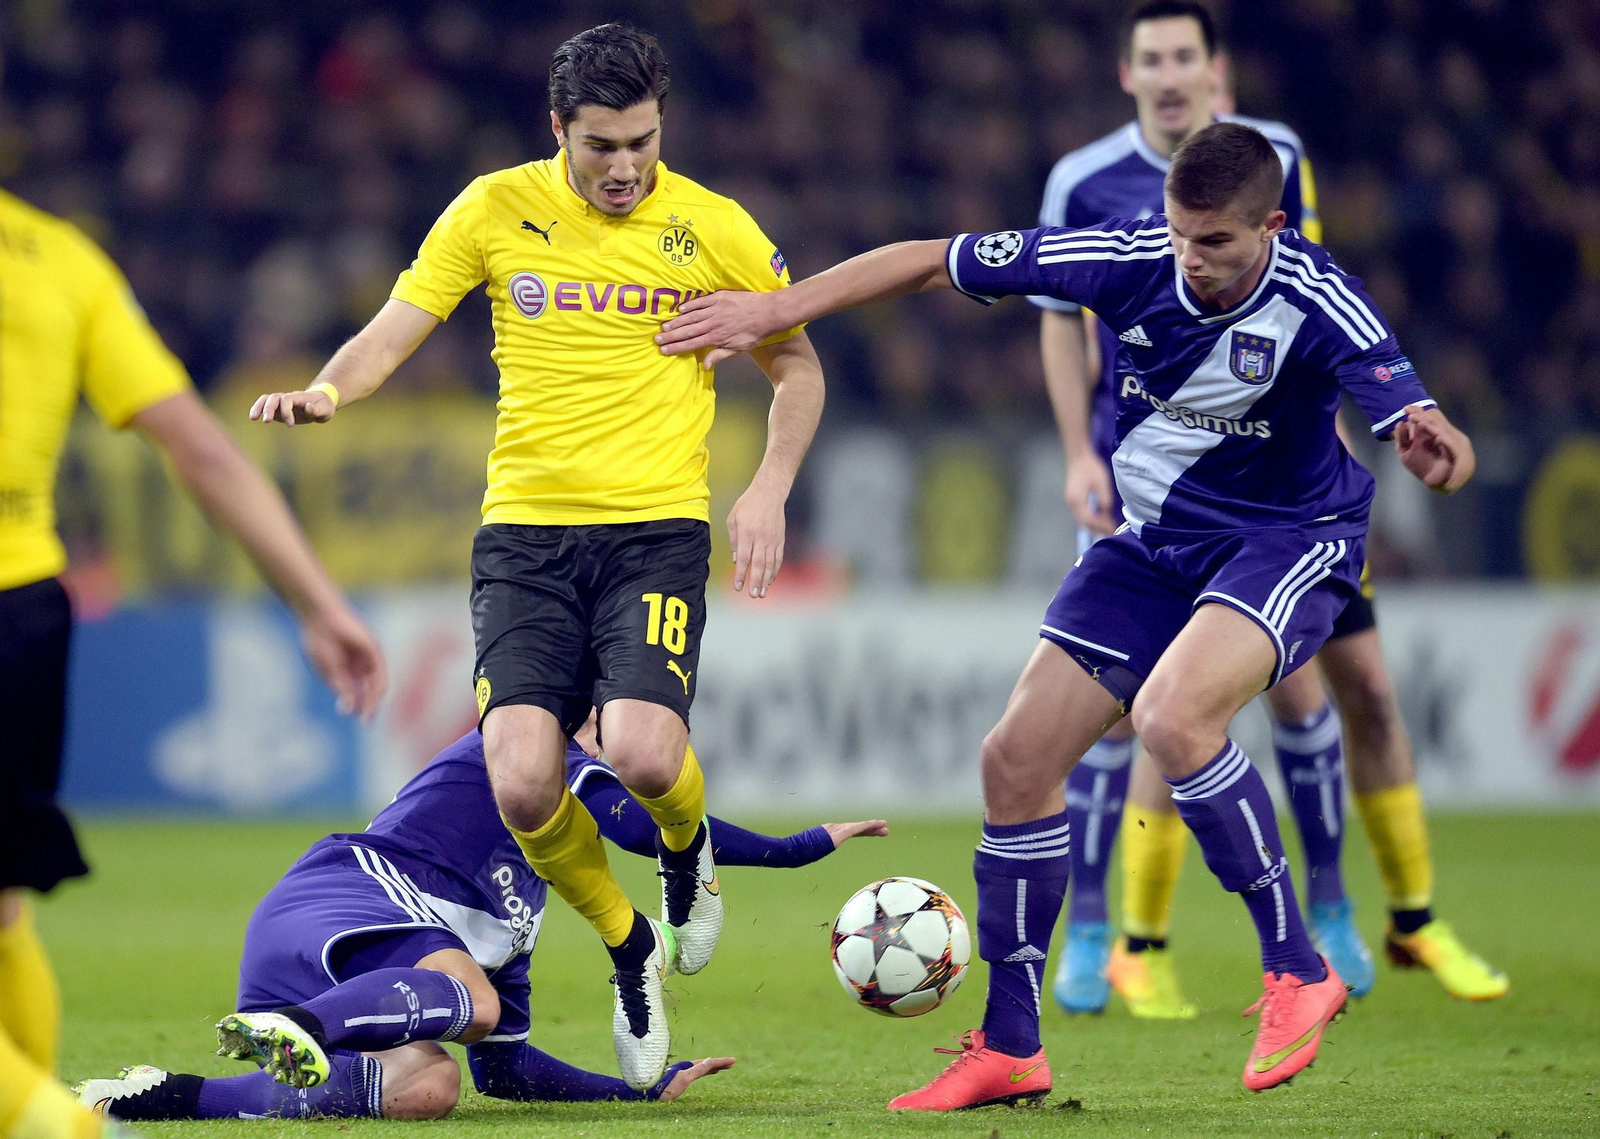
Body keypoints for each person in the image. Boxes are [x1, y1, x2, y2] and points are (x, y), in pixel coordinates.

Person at [656, 122, 1477, 1104]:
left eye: (1214, 240)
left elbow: (1430, 429)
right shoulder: (1125, 257)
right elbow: (928, 260)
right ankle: (1011, 1044)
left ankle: (1297, 966)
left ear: (1270, 226)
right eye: (1178, 232)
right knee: (1014, 759)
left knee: (1172, 715)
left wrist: (1438, 450)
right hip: (1155, 542)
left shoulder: (1318, 294)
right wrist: (777, 308)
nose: (1190, 256)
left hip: (1288, 539)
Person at [246, 23, 825, 1090]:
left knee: (643, 754)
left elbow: (798, 366)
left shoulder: (715, 226)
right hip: (523, 537)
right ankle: (630, 946)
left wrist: (768, 487)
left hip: (654, 531)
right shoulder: (492, 207)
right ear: (557, 127)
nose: (624, 167)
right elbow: (395, 326)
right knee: (520, 782)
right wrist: (328, 389)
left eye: (642, 142)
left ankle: (687, 854)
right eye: (601, 145)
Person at [1037, 0, 1505, 1018]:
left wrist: (1379, 428)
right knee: (1135, 709)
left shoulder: (1275, 158)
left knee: (1344, 690)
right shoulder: (1082, 180)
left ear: (1218, 72)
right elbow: (1060, 326)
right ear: (1127, 74)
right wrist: (1078, 451)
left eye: (1185, 57)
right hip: (1147, 482)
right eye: (1152, 58)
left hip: (1291, 494)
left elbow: (1307, 309)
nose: (1169, 75)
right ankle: (1113, 935)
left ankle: (1351, 914)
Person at [0, 182, 388, 1139]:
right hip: (22, 609)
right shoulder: (60, 259)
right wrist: (317, 600)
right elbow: (200, 448)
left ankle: (65, 1127)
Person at [74, 729, 887, 1122]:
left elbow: (503, 1069)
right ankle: (298, 1027)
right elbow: (640, 824)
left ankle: (165, 1095)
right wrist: (794, 848)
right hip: (341, 896)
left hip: (344, 976)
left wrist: (637, 1089)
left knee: (430, 1086)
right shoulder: (527, 752)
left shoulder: (521, 915)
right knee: (476, 998)